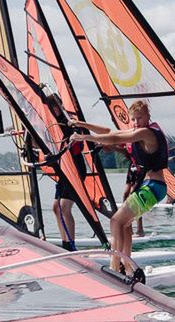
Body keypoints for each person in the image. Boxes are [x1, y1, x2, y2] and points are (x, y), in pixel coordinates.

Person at [69, 100, 167, 274]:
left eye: (140, 118)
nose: (137, 123)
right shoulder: (139, 130)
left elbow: (115, 138)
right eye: (133, 120)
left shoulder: (146, 133)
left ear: (148, 117)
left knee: (115, 221)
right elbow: (109, 131)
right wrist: (82, 125)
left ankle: (115, 267)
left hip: (153, 187)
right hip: (149, 186)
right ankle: (128, 267)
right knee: (125, 225)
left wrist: (85, 137)